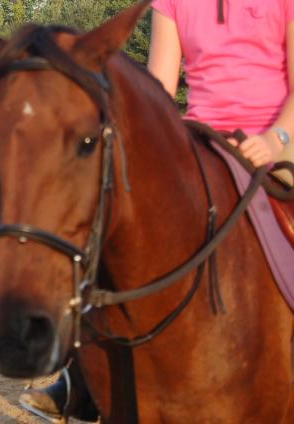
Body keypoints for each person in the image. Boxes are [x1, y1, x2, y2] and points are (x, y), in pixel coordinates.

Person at [20, 0, 294, 421]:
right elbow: (160, 88)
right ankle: (81, 373)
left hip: (277, 143)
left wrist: (274, 141)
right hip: (200, 142)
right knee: (110, 224)